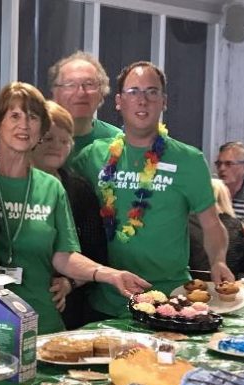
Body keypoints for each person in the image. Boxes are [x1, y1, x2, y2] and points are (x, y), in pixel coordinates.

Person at [0, 82, 149, 334]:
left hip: (42, 324)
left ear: (40, 129)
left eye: (33, 118)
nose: (24, 125)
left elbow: (64, 256)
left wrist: (110, 275)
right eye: (15, 116)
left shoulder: (51, 188)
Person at [70, 61, 235, 320]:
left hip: (170, 301)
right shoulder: (93, 156)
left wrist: (218, 261)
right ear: (118, 101)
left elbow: (212, 225)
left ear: (164, 101)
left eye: (152, 92)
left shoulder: (189, 159)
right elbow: (51, 176)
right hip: (106, 301)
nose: (142, 100)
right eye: (133, 92)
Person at [31, 100, 108, 329]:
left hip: (66, 309)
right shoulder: (5, 184)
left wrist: (69, 282)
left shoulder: (79, 190)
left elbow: (96, 253)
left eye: (64, 140)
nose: (56, 146)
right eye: (48, 138)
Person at [48, 51, 121, 157]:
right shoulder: (38, 139)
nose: (81, 93)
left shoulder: (117, 141)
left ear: (102, 92)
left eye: (89, 84)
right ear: (55, 92)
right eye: (70, 85)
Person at [189, 179, 244, 277]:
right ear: (226, 198)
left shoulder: (183, 223)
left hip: (188, 286)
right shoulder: (235, 225)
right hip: (225, 285)